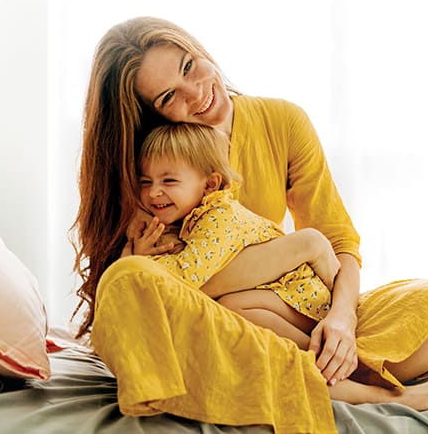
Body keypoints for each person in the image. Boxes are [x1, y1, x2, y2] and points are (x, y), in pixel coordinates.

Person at [71, 16, 428, 430]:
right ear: (151, 114)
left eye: (189, 67)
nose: (196, 91)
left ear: (197, 51)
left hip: (297, 308)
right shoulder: (151, 165)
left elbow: (335, 241)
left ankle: (334, 366)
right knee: (154, 288)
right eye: (168, 97)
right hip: (229, 324)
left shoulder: (281, 120)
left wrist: (341, 321)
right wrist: (289, 256)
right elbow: (169, 292)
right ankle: (370, 385)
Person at [133, 122, 338, 348]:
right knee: (226, 308)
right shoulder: (191, 220)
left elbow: (186, 276)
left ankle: (316, 357)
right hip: (278, 297)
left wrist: (139, 261)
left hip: (301, 296)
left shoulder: (218, 216)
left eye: (169, 181)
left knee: (232, 306)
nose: (153, 192)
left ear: (210, 185)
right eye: (145, 182)